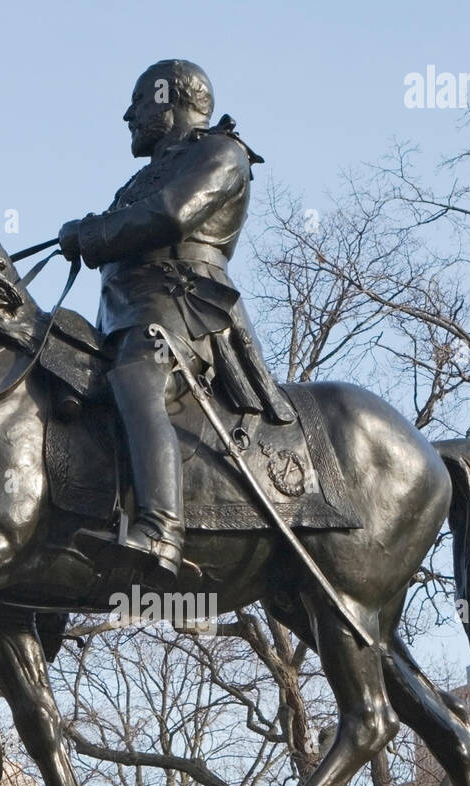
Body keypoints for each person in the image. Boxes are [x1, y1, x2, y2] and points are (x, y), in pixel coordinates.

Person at [59, 59, 294, 576]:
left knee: (139, 379)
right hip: (123, 314)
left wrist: (93, 233)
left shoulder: (221, 152)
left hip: (182, 309)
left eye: (140, 101)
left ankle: (162, 531)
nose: (128, 115)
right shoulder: (146, 172)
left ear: (170, 101)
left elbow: (172, 213)